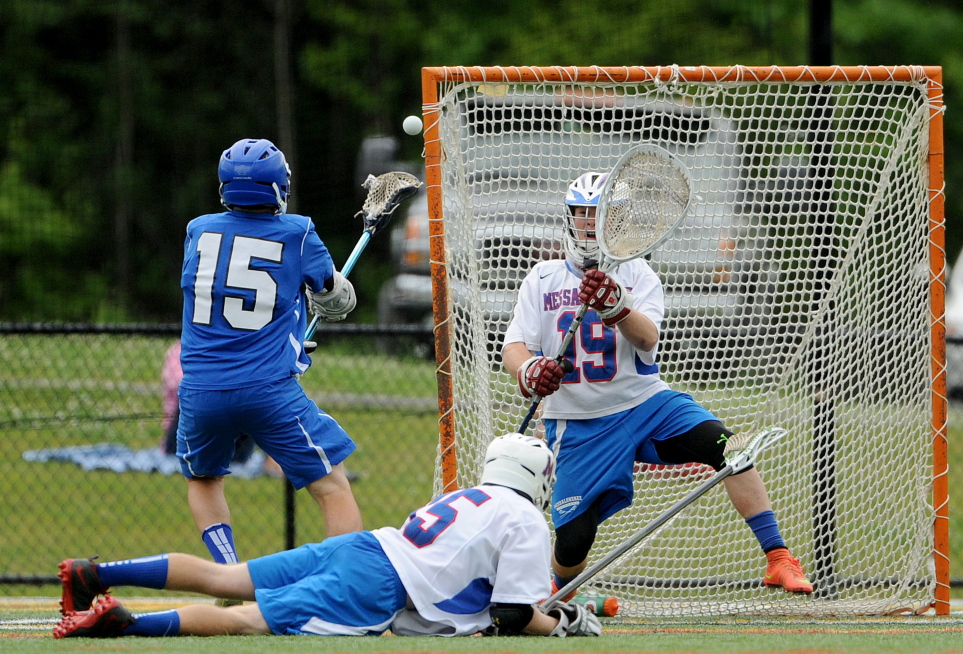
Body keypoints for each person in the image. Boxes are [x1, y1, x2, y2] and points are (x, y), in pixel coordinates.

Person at [501, 171, 813, 600]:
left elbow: (647, 338)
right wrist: (529, 370)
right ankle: (560, 593)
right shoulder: (542, 278)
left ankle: (779, 558)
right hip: (579, 423)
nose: (590, 224)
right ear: (568, 217)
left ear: (620, 218)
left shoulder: (638, 274)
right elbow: (514, 348)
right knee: (573, 540)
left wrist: (616, 307)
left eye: (600, 213)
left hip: (645, 404)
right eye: (582, 214)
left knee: (732, 446)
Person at [53, 434, 601, 639]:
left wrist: (547, 614)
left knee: (226, 578)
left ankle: (96, 573)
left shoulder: (463, 497)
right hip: (376, 582)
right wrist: (561, 626)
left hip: (362, 547)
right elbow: (510, 616)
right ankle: (122, 625)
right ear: (539, 481)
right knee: (246, 619)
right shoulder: (527, 518)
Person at [176, 138, 361, 568]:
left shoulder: (198, 229)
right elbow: (333, 297)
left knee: (204, 481)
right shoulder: (298, 233)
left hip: (201, 390)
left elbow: (227, 304)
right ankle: (342, 582)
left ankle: (226, 572)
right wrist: (333, 300)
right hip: (267, 391)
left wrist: (290, 338)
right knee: (332, 487)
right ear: (279, 186)